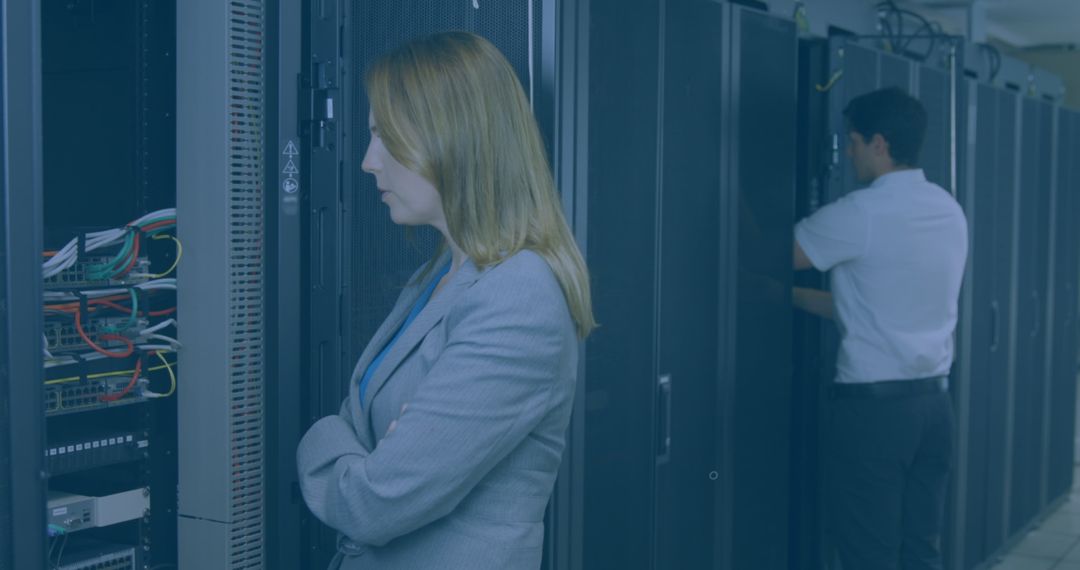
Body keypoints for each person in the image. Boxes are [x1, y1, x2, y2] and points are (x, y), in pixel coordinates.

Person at [296, 31, 594, 570]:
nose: (368, 161)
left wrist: (318, 441)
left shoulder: (517, 295)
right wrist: (377, 450)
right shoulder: (440, 274)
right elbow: (368, 435)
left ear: (453, 138)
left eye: (386, 138)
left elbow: (373, 503)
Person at [792, 87, 968, 569]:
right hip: (934, 409)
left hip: (875, 416)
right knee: (919, 548)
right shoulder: (949, 211)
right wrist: (783, 297)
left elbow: (784, 255)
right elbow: (875, 306)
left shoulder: (862, 212)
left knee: (869, 552)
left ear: (879, 144)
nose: (847, 153)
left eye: (852, 141)